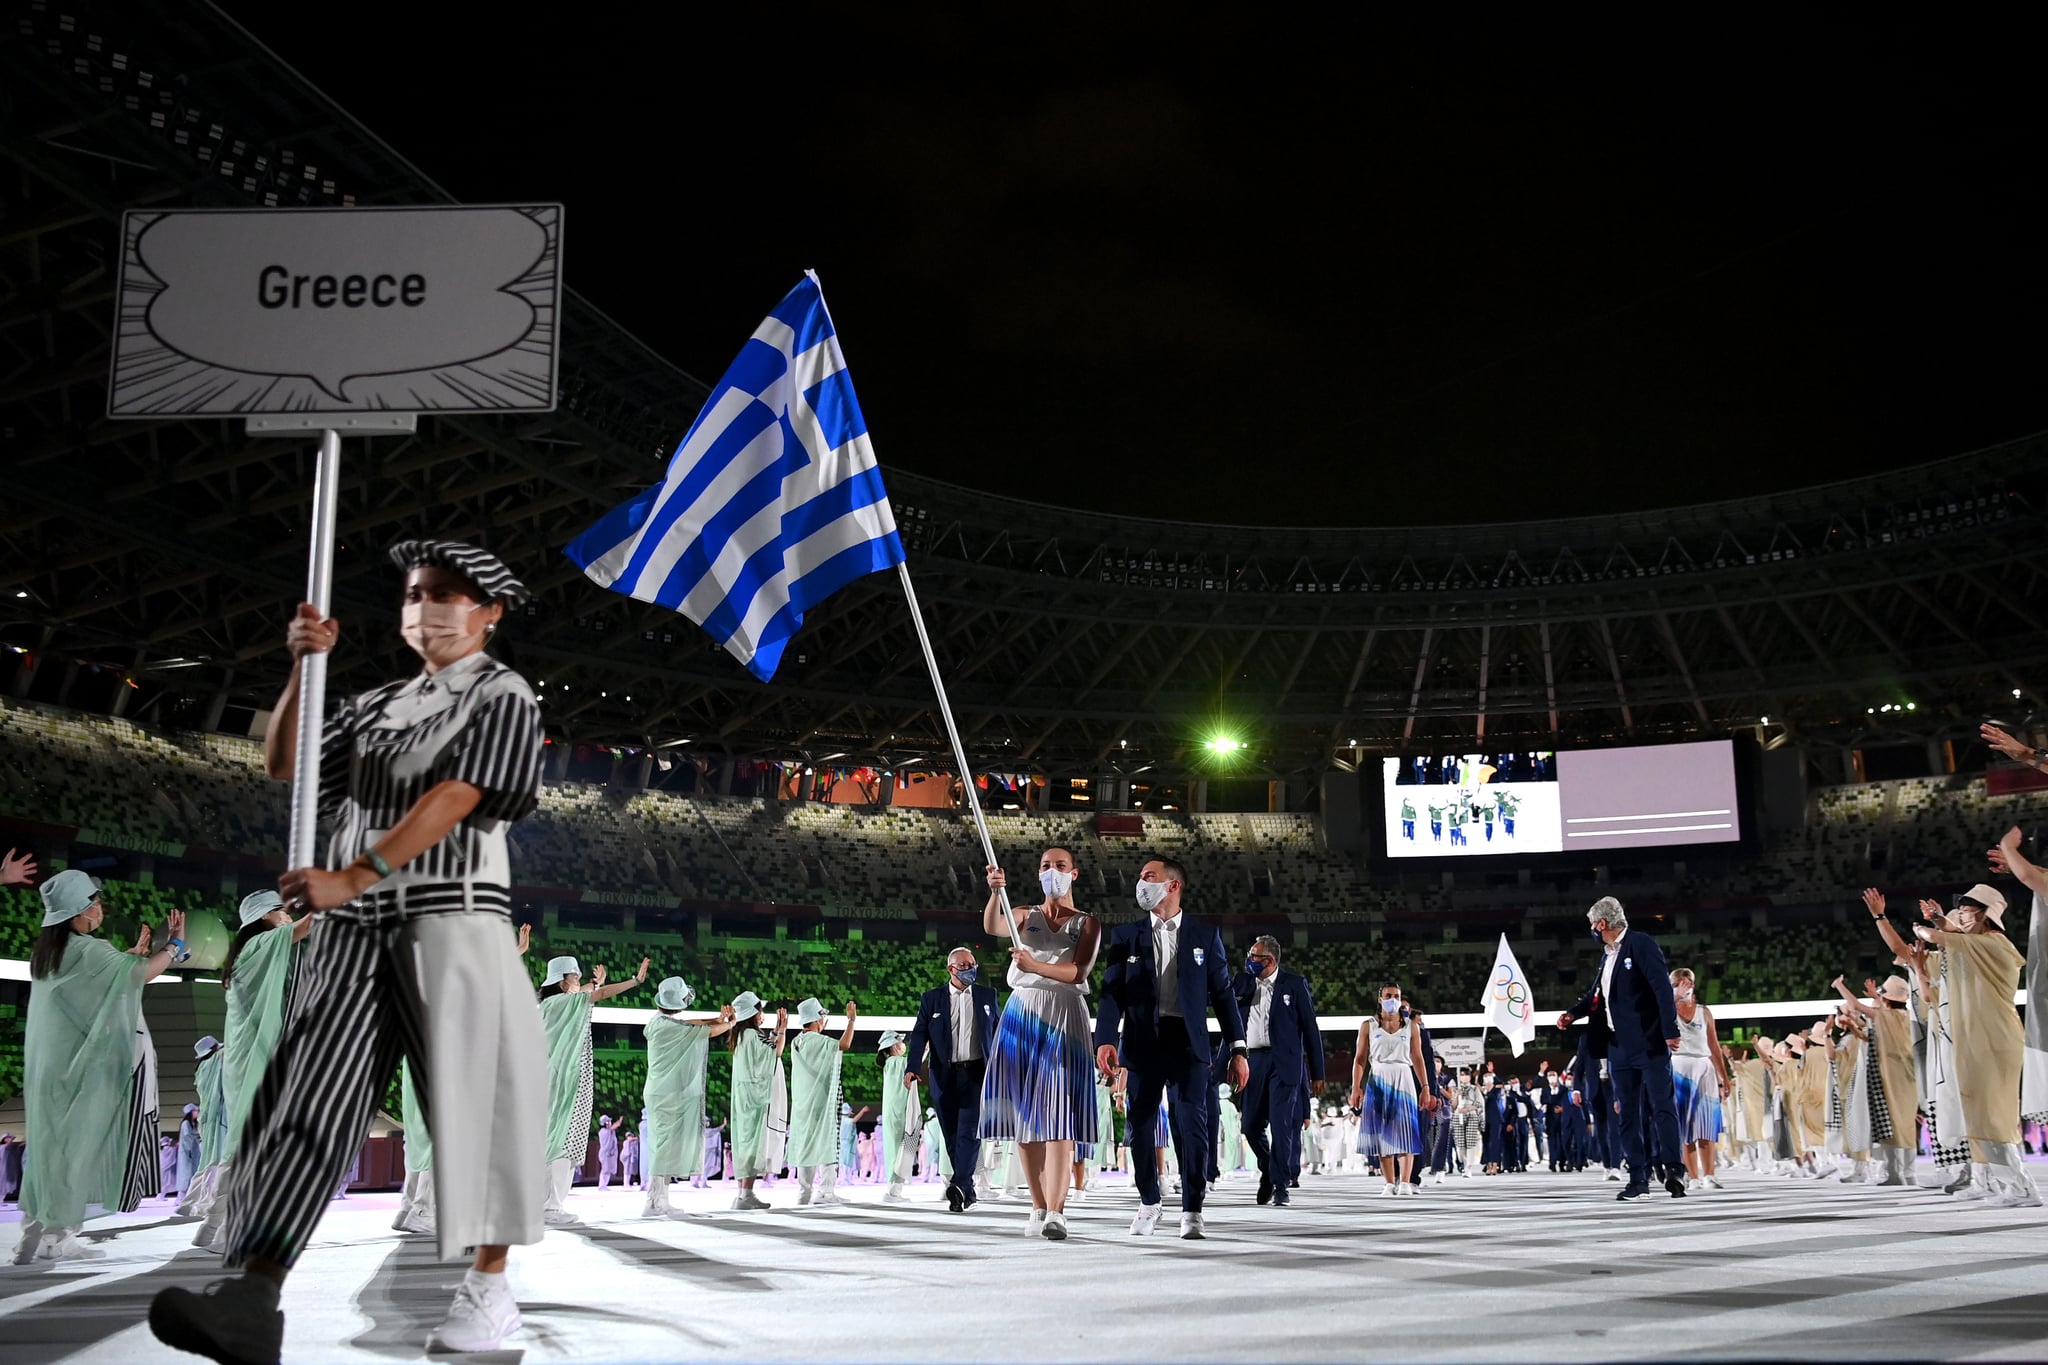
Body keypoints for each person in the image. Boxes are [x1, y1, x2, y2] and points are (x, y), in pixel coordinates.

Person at [149, 539, 549, 1360]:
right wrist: (304, 668)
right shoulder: (378, 705)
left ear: (490, 611)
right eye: (413, 593)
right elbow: (286, 764)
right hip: (353, 932)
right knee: (310, 1095)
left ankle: (489, 1285)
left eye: (444, 592)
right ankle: (256, 1291)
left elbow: (458, 792)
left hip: (451, 916)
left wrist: (357, 871)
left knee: (471, 1107)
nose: (424, 608)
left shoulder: (504, 695)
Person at [16, 870, 184, 1264]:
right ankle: (59, 1237)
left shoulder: (49, 954)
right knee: (76, 1153)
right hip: (82, 1072)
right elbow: (141, 976)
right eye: (94, 902)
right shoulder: (91, 949)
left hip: (48, 1072)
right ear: (77, 911)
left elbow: (101, 982)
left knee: (47, 1154)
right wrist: (174, 946)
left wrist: (124, 958)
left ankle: (30, 1239)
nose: (99, 908)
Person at [1095, 853, 1248, 1241]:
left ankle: (1192, 1208)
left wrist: (1239, 1048)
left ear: (1173, 885)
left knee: (1191, 1124)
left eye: (1149, 876)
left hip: (1188, 1043)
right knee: (1139, 1126)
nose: (1141, 883)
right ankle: (1149, 1200)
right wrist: (1106, 1040)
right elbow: (1112, 994)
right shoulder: (1126, 935)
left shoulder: (1204, 935)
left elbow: (1224, 996)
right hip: (1142, 1042)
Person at [1867, 873, 2039, 1207]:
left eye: (1967, 908)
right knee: (1973, 1110)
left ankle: (2020, 1186)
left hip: (1993, 1037)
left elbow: (1932, 935)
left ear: (1985, 913)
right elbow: (1905, 950)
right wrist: (1880, 917)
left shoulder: (1994, 945)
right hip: (1969, 1039)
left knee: (1990, 1112)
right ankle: (1987, 1181)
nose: (1961, 913)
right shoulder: (1959, 954)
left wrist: (1934, 923)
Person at [980, 849, 1101, 1241]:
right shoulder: (1024, 914)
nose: (1053, 872)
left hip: (1065, 1014)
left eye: (1060, 866)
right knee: (1025, 1119)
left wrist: (1035, 966)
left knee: (1059, 1115)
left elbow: (1077, 971)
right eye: (1046, 866)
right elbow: (993, 926)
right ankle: (1036, 1205)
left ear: (1074, 873)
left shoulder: (1087, 923)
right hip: (1022, 1012)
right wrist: (995, 892)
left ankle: (1057, 1211)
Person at [1556, 896, 1685, 1201]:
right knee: (1627, 1113)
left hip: (1649, 1041)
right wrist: (1573, 1013)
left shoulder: (1640, 944)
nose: (1592, 930)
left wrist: (1670, 1031)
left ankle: (1674, 1171)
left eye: (1593, 925)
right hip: (1618, 1047)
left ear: (1603, 923)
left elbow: (1661, 988)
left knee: (1661, 1106)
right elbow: (1596, 995)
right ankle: (1638, 1179)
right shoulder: (1607, 957)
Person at [539, 954, 649, 1225]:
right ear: (563, 983)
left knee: (550, 1142)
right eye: (574, 977)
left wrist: (592, 983)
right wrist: (633, 981)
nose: (579, 981)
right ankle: (551, 1207)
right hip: (564, 1083)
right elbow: (598, 995)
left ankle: (543, 1204)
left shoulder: (549, 1004)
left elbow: (588, 992)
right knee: (562, 1143)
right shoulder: (567, 1002)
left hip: (547, 1083)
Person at [1230, 935, 1324, 1208]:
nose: (1248, 960)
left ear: (1269, 960)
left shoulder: (1294, 985)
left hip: (1284, 1064)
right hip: (1252, 1061)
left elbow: (1310, 1029)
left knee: (1282, 1126)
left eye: (1253, 956)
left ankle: (1281, 1186)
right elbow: (1230, 1023)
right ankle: (1269, 1169)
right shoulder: (1242, 983)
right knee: (1249, 1125)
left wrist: (1317, 1072)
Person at [905, 946, 999, 1213]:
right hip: (943, 1076)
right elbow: (920, 1034)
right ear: (951, 969)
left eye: (973, 964)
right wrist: (912, 1067)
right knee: (952, 1135)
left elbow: (999, 1033)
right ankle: (965, 1191)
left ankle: (958, 1184)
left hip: (976, 1075)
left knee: (970, 1132)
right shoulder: (931, 999)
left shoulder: (987, 995)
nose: (972, 969)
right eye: (965, 965)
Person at [642, 978, 735, 1217]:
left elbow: (691, 1022)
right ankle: (654, 1202)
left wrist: (718, 1018)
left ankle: (660, 1200)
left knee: (663, 1146)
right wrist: (729, 1023)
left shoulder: (659, 1022)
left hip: (660, 1092)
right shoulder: (670, 1027)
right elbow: (704, 1031)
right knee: (663, 1148)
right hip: (667, 1094)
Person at [1351, 984, 1437, 1195]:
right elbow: (1360, 1059)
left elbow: (1418, 1058)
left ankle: (1406, 1182)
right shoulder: (1368, 1026)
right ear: (1380, 999)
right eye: (1388, 995)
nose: (1393, 999)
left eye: (1396, 996)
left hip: (1403, 1076)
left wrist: (1425, 1087)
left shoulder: (1411, 1026)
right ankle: (1390, 1183)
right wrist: (1356, 1087)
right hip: (1378, 1077)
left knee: (1406, 1130)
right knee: (1382, 1133)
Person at [785, 998, 858, 1206]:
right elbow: (844, 1044)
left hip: (802, 1104)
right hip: (820, 1103)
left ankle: (804, 1192)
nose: (824, 1020)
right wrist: (851, 1021)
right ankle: (826, 1191)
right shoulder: (816, 1040)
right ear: (817, 1018)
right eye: (822, 1016)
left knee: (807, 1146)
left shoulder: (797, 1041)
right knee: (827, 1145)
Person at [723, 993, 788, 1210]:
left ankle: (743, 1193)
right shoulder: (752, 1034)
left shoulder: (740, 1035)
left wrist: (775, 1033)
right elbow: (775, 1052)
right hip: (754, 1099)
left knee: (744, 1143)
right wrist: (781, 1030)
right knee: (753, 1144)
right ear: (753, 1013)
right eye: (760, 1010)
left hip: (743, 1098)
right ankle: (747, 1193)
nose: (762, 1015)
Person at [1669, 967, 1731, 1189]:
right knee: (1684, 1126)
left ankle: (1710, 1175)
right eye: (1677, 984)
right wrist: (1672, 998)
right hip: (1678, 1067)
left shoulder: (1704, 1012)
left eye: (1686, 983)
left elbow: (1713, 1045)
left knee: (1706, 1123)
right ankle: (1693, 1176)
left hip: (1703, 1066)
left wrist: (1724, 1077)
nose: (1683, 987)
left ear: (1693, 985)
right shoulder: (1665, 1009)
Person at [179, 1036, 228, 1219]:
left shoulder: (201, 1069)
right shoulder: (216, 1060)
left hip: (206, 1119)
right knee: (213, 1163)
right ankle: (195, 1202)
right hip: (215, 1117)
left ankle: (197, 1202)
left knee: (210, 1162)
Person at [875, 1029, 920, 1204]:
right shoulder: (894, 1062)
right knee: (898, 1149)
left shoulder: (891, 1063)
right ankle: (893, 1191)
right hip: (898, 1112)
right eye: (900, 1042)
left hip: (896, 1112)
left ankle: (896, 1190)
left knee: (901, 1147)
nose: (903, 1045)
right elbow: (911, 1065)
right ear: (894, 1045)